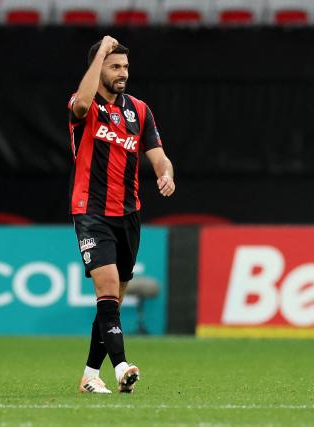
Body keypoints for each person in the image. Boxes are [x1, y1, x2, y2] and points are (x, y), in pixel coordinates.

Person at [68, 36, 175, 394]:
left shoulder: (139, 110)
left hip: (128, 215)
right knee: (108, 287)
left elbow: (157, 153)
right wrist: (98, 53)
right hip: (91, 211)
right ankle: (121, 368)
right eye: (115, 66)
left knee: (113, 299)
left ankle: (89, 375)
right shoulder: (84, 106)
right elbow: (82, 102)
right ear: (99, 68)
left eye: (125, 67)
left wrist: (165, 173)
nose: (123, 73)